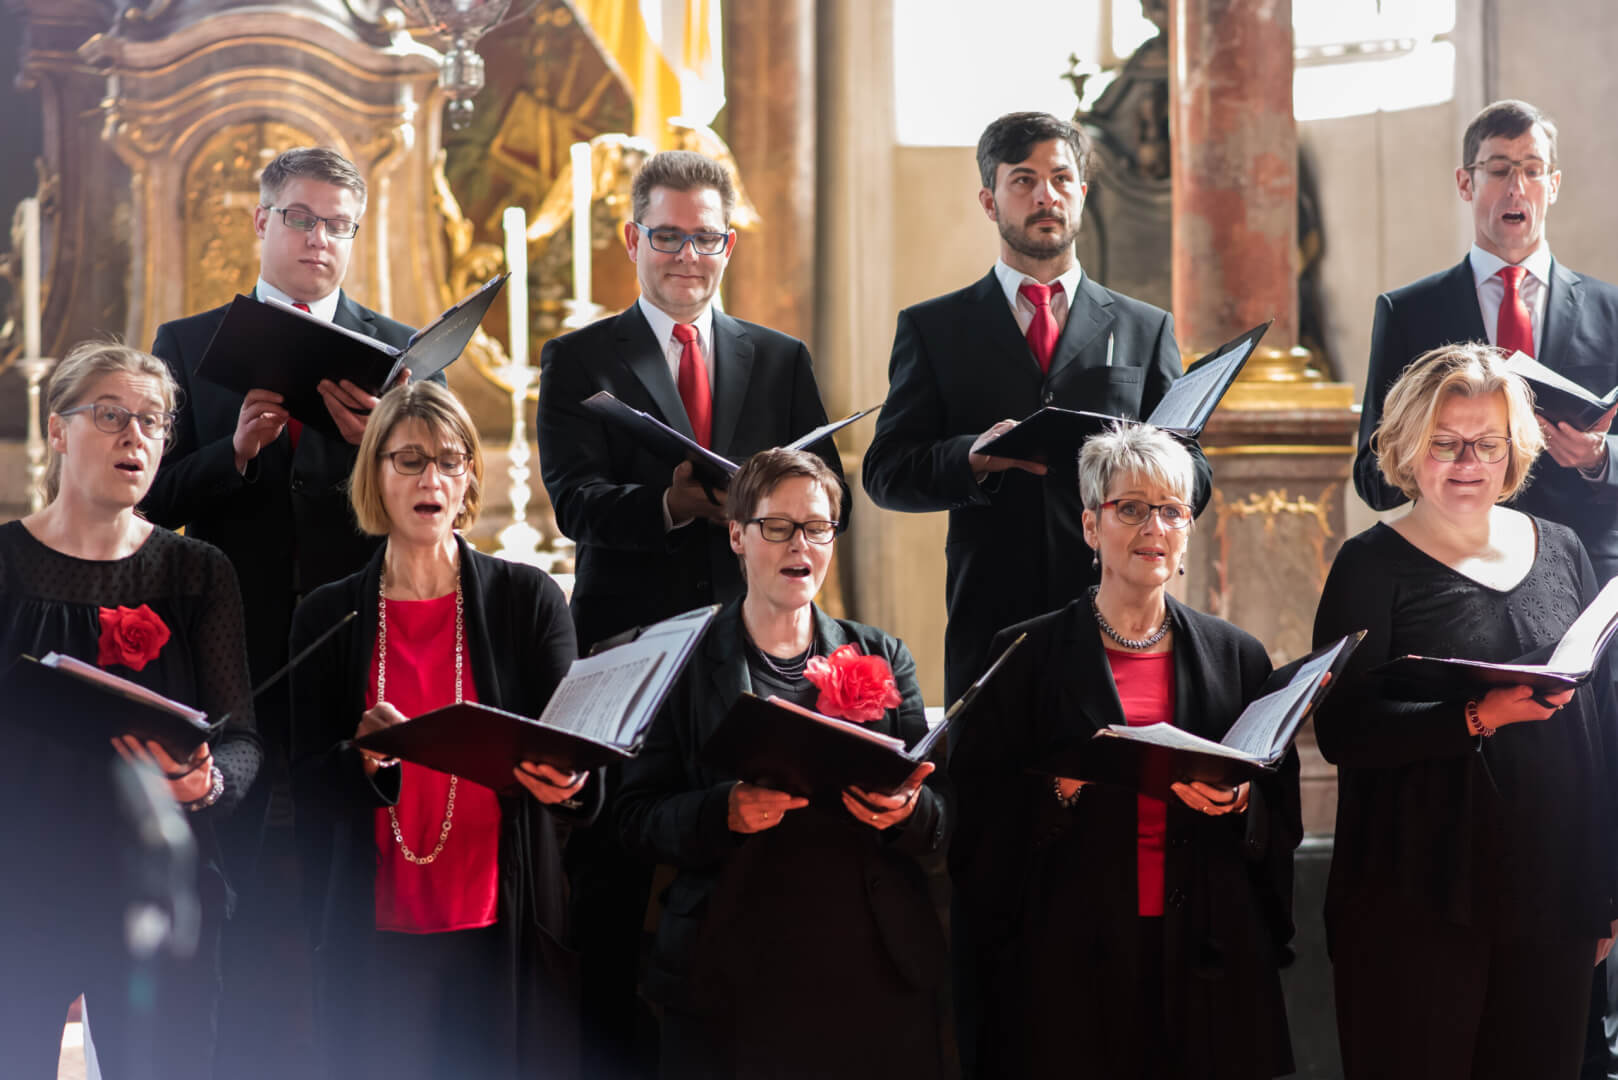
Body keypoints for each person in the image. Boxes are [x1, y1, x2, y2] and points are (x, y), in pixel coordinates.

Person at [536, 148, 848, 1075]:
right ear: (634, 238)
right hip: (632, 644)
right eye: (668, 235)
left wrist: (772, 516)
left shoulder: (779, 358)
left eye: (705, 237)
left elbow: (833, 494)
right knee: (617, 869)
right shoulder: (581, 357)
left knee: (751, 850)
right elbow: (574, 503)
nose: (687, 254)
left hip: (749, 647)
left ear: (729, 243)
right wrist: (675, 505)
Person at [140, 145, 431, 1076]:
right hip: (237, 641)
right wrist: (231, 451)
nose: (320, 239)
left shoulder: (401, 347)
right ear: (261, 223)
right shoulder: (188, 344)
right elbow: (149, 504)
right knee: (241, 878)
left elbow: (435, 506)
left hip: (358, 640)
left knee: (351, 864)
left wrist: (370, 449)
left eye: (338, 224)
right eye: (300, 219)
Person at [1351, 100, 1618, 1076]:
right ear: (1466, 185)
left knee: (1587, 784)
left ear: (1554, 183)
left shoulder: (1610, 309)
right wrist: (1445, 463)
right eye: (1496, 168)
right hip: (1450, 589)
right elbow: (1370, 475)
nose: (1515, 186)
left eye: (1532, 168)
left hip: (1582, 592)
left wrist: (1597, 458)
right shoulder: (1410, 313)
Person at [948, 423, 1299, 1079]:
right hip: (1072, 954)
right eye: (1131, 508)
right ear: (1090, 525)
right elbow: (975, 812)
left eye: (1171, 510)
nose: (1154, 528)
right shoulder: (1023, 655)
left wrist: (1243, 799)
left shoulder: (1238, 656)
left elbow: (1281, 809)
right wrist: (1062, 789)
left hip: (1205, 954)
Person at [1316, 343, 1618, 1079]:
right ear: (1407, 447)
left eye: (1487, 444)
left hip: (1554, 893)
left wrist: (1604, 885)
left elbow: (1603, 728)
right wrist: (1474, 718)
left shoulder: (1565, 550)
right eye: (1445, 444)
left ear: (1514, 449)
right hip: (1416, 896)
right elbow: (1341, 730)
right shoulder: (1370, 565)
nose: (1467, 463)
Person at [288, 381, 597, 1080]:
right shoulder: (328, 616)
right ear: (375, 476)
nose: (433, 478)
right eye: (410, 460)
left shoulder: (530, 601)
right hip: (372, 931)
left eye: (451, 460)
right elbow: (303, 782)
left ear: (468, 480)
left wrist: (568, 781)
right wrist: (361, 763)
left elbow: (584, 768)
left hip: (504, 924)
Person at [615, 448, 949, 1078]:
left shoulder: (882, 652)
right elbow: (634, 818)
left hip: (871, 964)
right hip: (734, 967)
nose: (801, 545)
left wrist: (903, 811)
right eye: (779, 526)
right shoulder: (681, 658)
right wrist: (723, 811)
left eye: (817, 527)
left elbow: (939, 816)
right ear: (738, 534)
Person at [862, 110, 1212, 706]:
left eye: (1060, 178)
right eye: (1022, 180)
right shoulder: (934, 328)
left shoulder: (1145, 328)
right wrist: (972, 458)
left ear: (1082, 191)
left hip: (1118, 618)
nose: (1044, 195)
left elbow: (1195, 473)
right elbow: (886, 473)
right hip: (989, 622)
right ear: (989, 200)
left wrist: (1143, 479)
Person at [0, 340, 261, 1079]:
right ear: (58, 429)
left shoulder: (196, 571)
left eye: (153, 422)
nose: (135, 437)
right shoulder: (4, 565)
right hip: (21, 885)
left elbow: (241, 737)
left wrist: (209, 782)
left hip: (154, 886)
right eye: (111, 415)